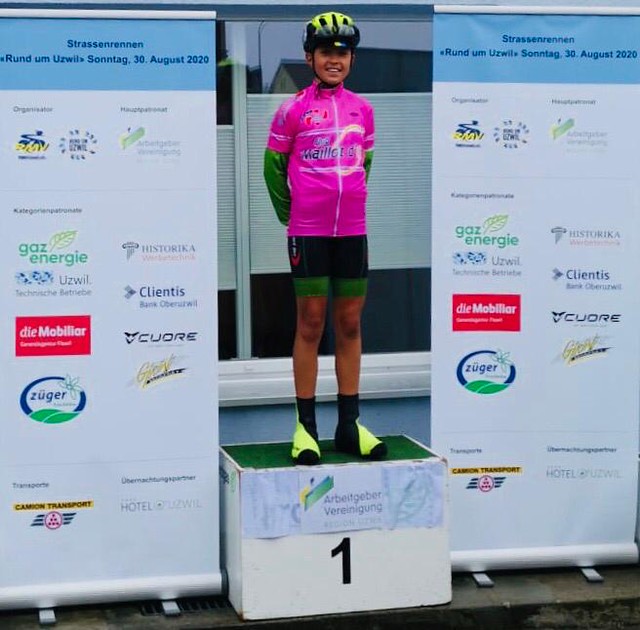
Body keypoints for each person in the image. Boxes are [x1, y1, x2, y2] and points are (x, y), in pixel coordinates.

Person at [264, 11, 387, 465]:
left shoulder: (363, 109)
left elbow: (364, 165)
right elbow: (272, 169)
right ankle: (306, 428)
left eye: (342, 52)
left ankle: (349, 425)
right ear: (309, 58)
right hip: (309, 232)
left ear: (351, 58)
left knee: (350, 324)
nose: (334, 59)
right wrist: (293, 215)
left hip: (352, 229)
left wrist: (349, 200)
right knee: (311, 324)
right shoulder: (292, 109)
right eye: (325, 52)